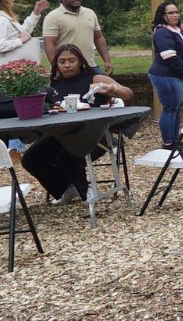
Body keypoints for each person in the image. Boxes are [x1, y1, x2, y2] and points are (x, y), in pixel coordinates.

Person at [24, 44, 131, 203]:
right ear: (56, 65)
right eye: (62, 62)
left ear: (80, 61)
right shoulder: (54, 84)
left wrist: (110, 89)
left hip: (94, 134)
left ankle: (86, 193)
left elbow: (128, 93)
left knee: (65, 159)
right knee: (30, 159)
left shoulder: (95, 78)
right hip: (62, 133)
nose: (67, 65)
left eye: (71, 60)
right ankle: (65, 189)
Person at [146, 0, 183, 145]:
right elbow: (169, 57)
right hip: (166, 76)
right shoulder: (162, 32)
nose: (175, 15)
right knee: (170, 109)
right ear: (163, 15)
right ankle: (169, 142)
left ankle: (176, 140)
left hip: (179, 76)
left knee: (176, 109)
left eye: (177, 12)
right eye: (171, 13)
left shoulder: (178, 30)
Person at [42, 0, 112, 75]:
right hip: (67, 69)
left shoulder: (90, 13)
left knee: (101, 88)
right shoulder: (53, 17)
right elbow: (49, 44)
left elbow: (98, 38)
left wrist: (107, 61)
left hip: (90, 66)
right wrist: (56, 68)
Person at [0, 0, 50, 65]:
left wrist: (35, 13)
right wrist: (20, 40)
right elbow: (1, 45)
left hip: (11, 65)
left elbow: (23, 33)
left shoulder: (5, 18)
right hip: (8, 66)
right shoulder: (2, 20)